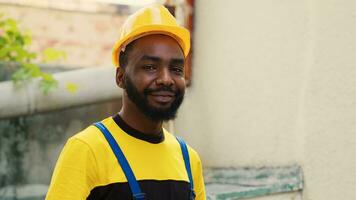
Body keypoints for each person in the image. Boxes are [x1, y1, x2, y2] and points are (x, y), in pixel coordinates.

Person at [45, 4, 206, 200]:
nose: (166, 79)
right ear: (120, 77)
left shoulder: (188, 160)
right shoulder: (88, 150)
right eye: (150, 67)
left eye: (177, 69)